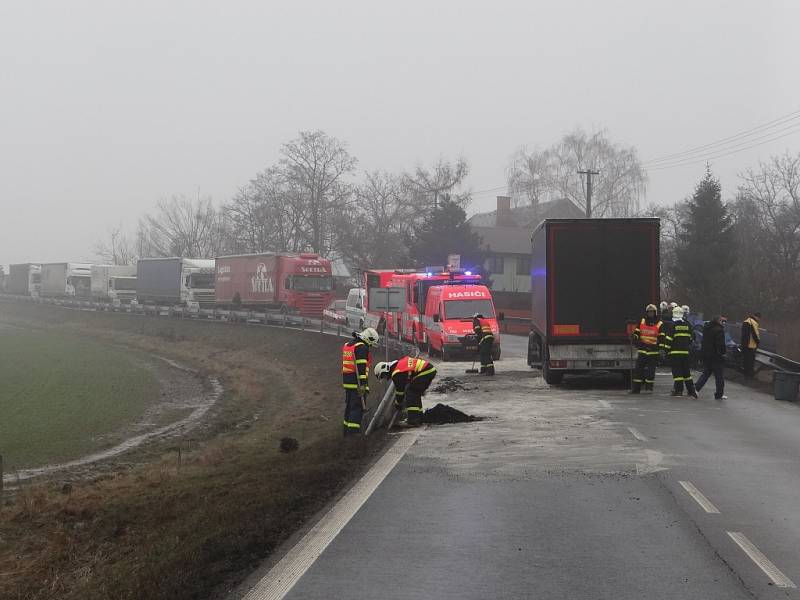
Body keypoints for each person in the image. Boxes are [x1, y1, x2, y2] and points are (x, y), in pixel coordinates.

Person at [374, 356, 437, 427]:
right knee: (415, 394)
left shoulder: (396, 373)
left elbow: (400, 392)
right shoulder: (398, 366)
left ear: (385, 369)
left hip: (426, 371)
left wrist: (397, 403)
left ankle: (413, 421)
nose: (385, 378)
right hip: (428, 370)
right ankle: (419, 418)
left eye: (383, 376)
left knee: (411, 393)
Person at [341, 327, 380, 436]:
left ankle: (346, 432)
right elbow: (361, 369)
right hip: (357, 384)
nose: (370, 347)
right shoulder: (362, 348)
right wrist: (363, 386)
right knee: (357, 408)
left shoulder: (349, 345)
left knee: (349, 407)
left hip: (347, 382)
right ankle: (353, 434)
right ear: (368, 339)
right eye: (371, 344)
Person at [630, 304, 666, 393]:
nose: (650, 313)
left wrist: (661, 349)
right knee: (638, 370)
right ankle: (636, 389)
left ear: (655, 313)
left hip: (653, 351)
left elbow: (662, 337)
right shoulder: (642, 321)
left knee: (650, 371)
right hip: (643, 349)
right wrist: (634, 337)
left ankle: (649, 388)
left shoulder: (659, 323)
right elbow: (637, 332)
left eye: (652, 312)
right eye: (649, 312)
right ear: (647, 313)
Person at [665, 306, 698, 398]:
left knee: (677, 373)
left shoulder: (673, 325)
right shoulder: (687, 325)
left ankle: (678, 390)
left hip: (675, 353)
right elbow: (692, 338)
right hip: (685, 353)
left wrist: (666, 351)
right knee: (686, 373)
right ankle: (691, 390)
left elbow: (668, 340)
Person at [696, 316, 728, 399]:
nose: (724, 323)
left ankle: (695, 389)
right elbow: (720, 344)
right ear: (718, 321)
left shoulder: (707, 329)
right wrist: (723, 353)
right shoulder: (719, 330)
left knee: (706, 373)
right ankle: (719, 394)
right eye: (723, 321)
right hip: (716, 356)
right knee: (719, 376)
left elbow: (704, 342)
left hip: (707, 355)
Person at [740, 312, 761, 378]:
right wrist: (758, 342)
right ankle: (750, 376)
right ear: (757, 317)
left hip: (744, 344)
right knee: (750, 362)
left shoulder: (745, 321)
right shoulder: (753, 322)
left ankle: (745, 375)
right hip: (750, 346)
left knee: (745, 361)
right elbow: (755, 334)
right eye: (759, 318)